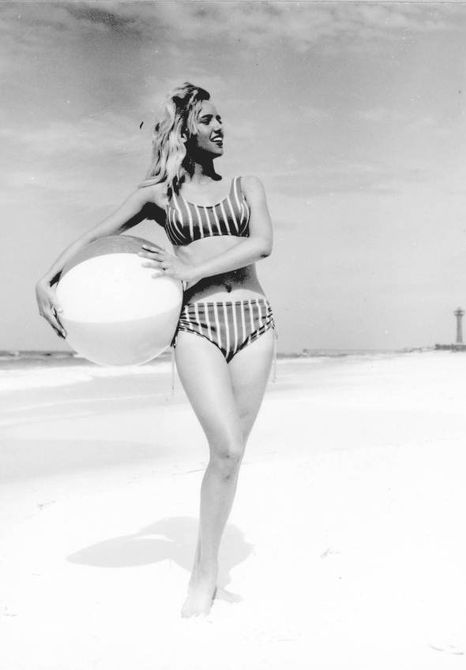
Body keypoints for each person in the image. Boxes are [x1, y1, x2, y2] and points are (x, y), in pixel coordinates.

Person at [35, 82, 276, 618]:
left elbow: (261, 243)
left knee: (228, 460)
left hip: (255, 323)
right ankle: (205, 572)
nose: (220, 128)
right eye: (209, 119)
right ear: (185, 129)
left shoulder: (247, 184)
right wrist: (46, 277)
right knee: (228, 447)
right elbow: (95, 235)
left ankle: (204, 563)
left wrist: (191, 267)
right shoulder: (157, 196)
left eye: (222, 120)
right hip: (197, 327)